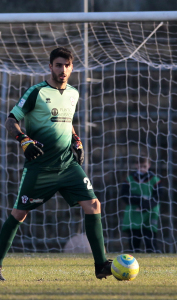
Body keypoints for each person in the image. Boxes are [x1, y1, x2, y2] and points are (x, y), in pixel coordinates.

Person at [0, 47, 112, 281]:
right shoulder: (36, 92)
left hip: (68, 165)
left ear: (72, 68)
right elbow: (10, 120)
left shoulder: (73, 92)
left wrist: (76, 139)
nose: (62, 70)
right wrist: (23, 139)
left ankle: (101, 265)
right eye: (58, 65)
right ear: (50, 66)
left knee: (93, 204)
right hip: (40, 166)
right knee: (19, 214)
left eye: (66, 65)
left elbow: (67, 120)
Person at [121, 155, 163, 253]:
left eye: (144, 166)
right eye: (140, 166)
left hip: (150, 213)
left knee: (150, 242)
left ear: (149, 165)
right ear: (136, 165)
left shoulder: (155, 180)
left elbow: (158, 197)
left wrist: (145, 206)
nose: (142, 169)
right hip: (134, 214)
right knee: (134, 243)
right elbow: (124, 195)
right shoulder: (130, 179)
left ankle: (152, 263)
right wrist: (139, 200)